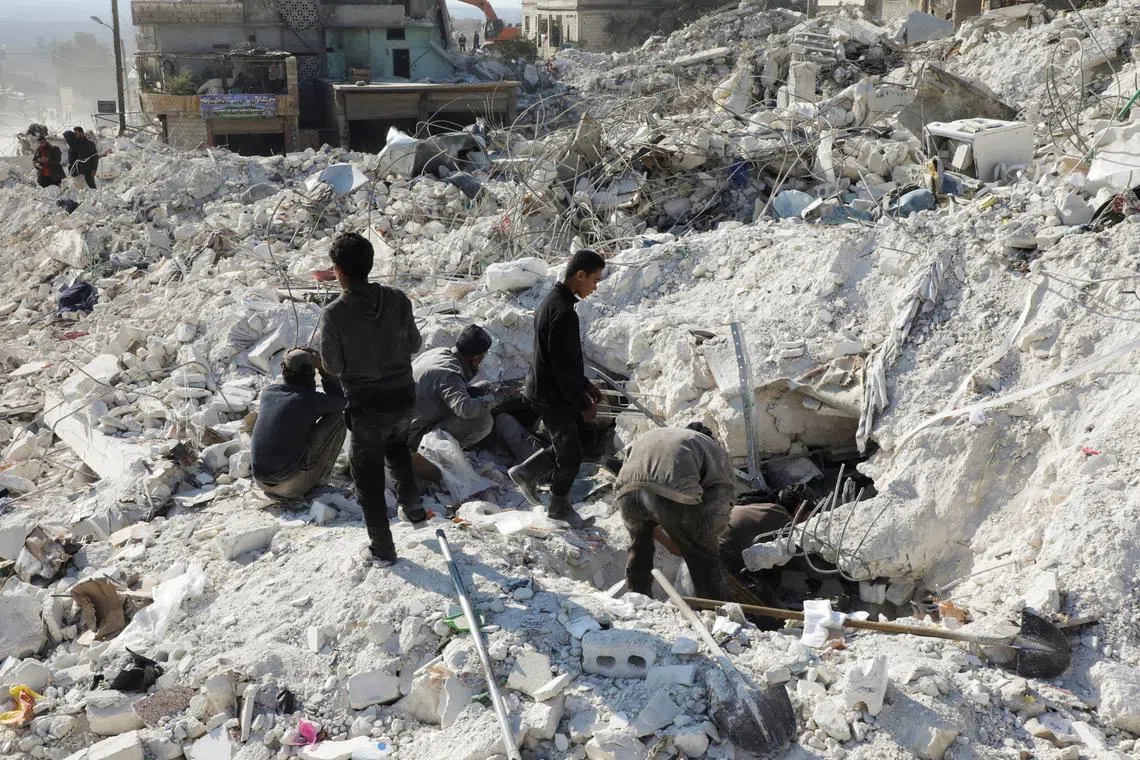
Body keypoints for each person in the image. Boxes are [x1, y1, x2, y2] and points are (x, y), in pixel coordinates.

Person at [319, 232, 423, 567]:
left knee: (368, 477)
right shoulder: (398, 299)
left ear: (338, 271)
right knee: (398, 448)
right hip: (404, 398)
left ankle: (382, 549)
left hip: (367, 407)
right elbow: (414, 345)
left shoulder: (335, 314)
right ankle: (414, 510)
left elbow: (333, 366)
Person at [509, 248, 605, 527]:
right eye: (594, 280)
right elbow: (562, 369)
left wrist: (585, 385)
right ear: (580, 275)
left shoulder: (552, 302)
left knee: (573, 443)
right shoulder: (563, 313)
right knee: (571, 455)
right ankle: (558, 508)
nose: (595, 286)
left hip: (547, 387)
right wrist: (584, 403)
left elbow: (561, 359)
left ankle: (526, 472)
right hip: (551, 394)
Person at [613, 422, 740, 602]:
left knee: (639, 545)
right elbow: (722, 497)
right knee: (704, 557)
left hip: (626, 493)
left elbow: (629, 474)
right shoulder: (710, 446)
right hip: (670, 490)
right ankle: (715, 610)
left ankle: (638, 597)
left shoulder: (656, 435)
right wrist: (708, 538)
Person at [251, 348, 347, 499]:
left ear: (284, 372)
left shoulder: (268, 392)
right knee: (337, 418)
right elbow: (342, 402)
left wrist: (290, 359)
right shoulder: (309, 399)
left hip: (260, 482)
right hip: (290, 485)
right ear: (311, 375)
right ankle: (321, 480)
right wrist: (323, 370)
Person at [409, 325, 504, 450]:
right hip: (417, 434)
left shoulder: (441, 352)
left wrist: (492, 396)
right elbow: (466, 409)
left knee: (485, 387)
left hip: (421, 413)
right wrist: (497, 398)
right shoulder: (449, 373)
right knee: (483, 421)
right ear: (475, 358)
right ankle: (444, 453)